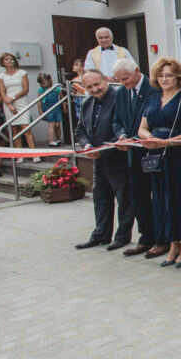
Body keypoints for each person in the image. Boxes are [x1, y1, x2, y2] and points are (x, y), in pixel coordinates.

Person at [138, 58, 181, 267]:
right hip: (157, 156)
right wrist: (149, 138)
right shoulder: (152, 99)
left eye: (169, 75)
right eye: (161, 76)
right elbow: (141, 128)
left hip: (178, 156)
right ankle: (173, 243)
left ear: (178, 78)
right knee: (161, 199)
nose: (164, 79)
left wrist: (165, 142)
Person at [111, 58, 165, 259]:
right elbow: (117, 120)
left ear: (137, 71)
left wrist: (137, 138)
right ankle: (146, 237)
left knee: (158, 198)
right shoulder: (121, 93)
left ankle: (162, 239)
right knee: (138, 198)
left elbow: (158, 120)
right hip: (132, 155)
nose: (124, 83)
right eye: (119, 80)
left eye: (126, 78)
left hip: (152, 153)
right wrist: (122, 136)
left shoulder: (154, 89)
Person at [74, 71, 133, 251]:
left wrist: (102, 151)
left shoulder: (119, 99)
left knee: (124, 201)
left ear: (105, 80)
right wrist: (86, 146)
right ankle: (101, 235)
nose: (94, 89)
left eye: (97, 84)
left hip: (118, 159)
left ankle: (122, 237)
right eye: (89, 87)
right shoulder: (87, 102)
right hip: (98, 161)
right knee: (100, 199)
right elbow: (80, 130)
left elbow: (124, 131)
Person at [0, 52, 37, 155]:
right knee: (14, 130)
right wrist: (9, 104)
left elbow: (25, 89)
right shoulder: (1, 76)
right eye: (6, 59)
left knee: (26, 129)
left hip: (21, 101)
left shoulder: (22, 73)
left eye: (11, 59)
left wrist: (13, 98)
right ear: (2, 62)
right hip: (8, 104)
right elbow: (2, 92)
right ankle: (20, 155)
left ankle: (34, 154)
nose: (9, 61)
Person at [36, 73, 64, 146]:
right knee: (52, 124)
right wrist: (40, 111)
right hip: (47, 108)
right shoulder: (41, 90)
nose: (41, 85)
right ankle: (51, 141)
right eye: (40, 83)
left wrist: (64, 107)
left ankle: (58, 140)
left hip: (57, 108)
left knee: (57, 125)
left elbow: (62, 98)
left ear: (49, 81)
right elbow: (39, 101)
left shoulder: (57, 88)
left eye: (43, 83)